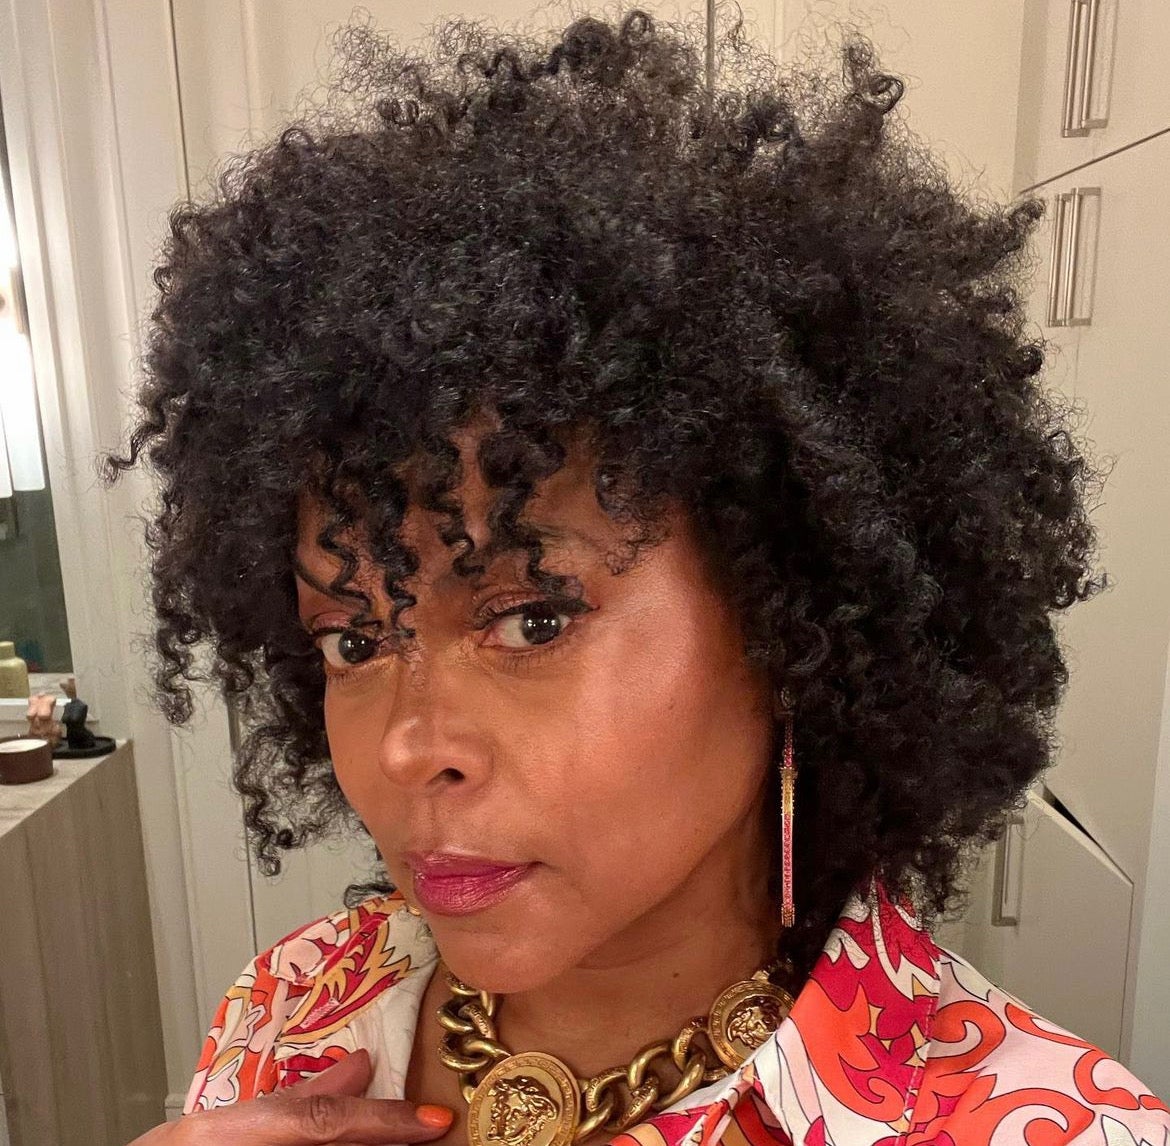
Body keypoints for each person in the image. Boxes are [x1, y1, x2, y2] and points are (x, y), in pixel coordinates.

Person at [111, 9, 1169, 1145]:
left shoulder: (1044, 1126)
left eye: (531, 619)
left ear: (790, 627)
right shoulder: (289, 1009)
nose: (408, 749)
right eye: (354, 641)